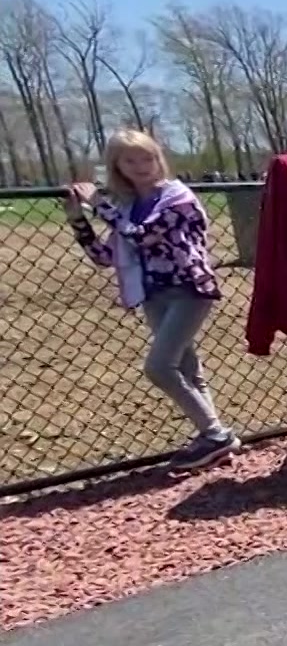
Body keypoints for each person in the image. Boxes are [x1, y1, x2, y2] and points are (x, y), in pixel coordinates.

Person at [63, 129, 236, 471]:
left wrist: (99, 205)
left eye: (148, 157)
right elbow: (105, 255)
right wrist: (78, 219)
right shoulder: (128, 207)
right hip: (153, 294)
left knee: (159, 367)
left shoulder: (177, 198)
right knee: (188, 370)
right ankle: (213, 441)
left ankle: (216, 434)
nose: (141, 166)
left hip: (189, 288)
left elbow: (142, 236)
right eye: (131, 160)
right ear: (117, 166)